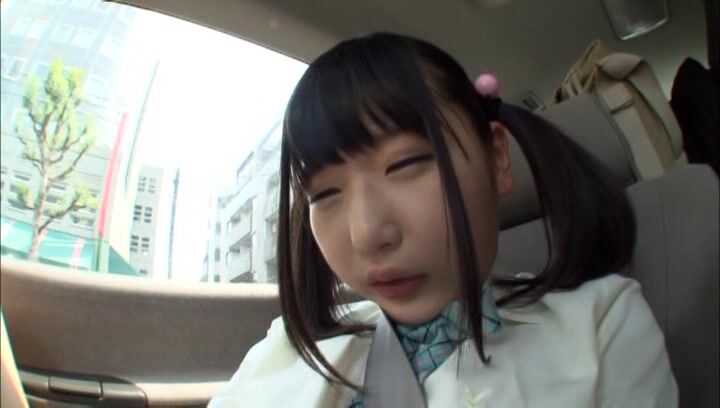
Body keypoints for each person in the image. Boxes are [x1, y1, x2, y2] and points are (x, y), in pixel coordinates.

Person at [209, 32, 677, 407]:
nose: (367, 234)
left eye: (407, 164)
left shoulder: (601, 325)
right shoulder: (286, 348)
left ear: (496, 158)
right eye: (325, 193)